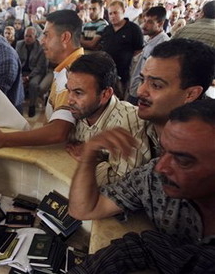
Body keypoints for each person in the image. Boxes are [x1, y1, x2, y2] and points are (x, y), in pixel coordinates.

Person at [68, 100, 215, 273]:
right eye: (163, 150)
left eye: (182, 161)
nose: (161, 167)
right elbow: (84, 209)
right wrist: (90, 153)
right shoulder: (153, 178)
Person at [0, 10, 83, 149]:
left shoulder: (73, 75)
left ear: (65, 37)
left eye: (47, 35)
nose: (42, 40)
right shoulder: (72, 65)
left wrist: (4, 138)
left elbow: (58, 132)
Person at [65, 52, 150, 185]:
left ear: (105, 94)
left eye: (78, 93)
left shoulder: (128, 122)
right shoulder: (82, 112)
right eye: (68, 90)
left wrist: (89, 159)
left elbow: (123, 186)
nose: (69, 100)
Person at [100, 1, 143, 98]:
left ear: (123, 11)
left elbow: (138, 53)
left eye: (115, 12)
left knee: (120, 99)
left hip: (124, 75)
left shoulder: (134, 29)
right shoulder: (107, 29)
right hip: (106, 72)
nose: (112, 16)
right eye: (110, 13)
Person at [128, 6, 170, 104]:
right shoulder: (148, 39)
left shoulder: (164, 45)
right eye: (145, 21)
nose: (144, 25)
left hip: (144, 93)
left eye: (150, 22)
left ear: (160, 23)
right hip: (135, 88)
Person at [16, 26, 47, 117]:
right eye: (26, 36)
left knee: (33, 84)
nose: (27, 38)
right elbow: (16, 61)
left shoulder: (40, 48)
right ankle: (17, 104)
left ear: (35, 37)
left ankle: (32, 106)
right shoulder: (19, 44)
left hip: (35, 72)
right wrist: (19, 75)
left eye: (30, 36)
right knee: (15, 80)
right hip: (22, 71)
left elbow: (39, 67)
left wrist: (28, 77)